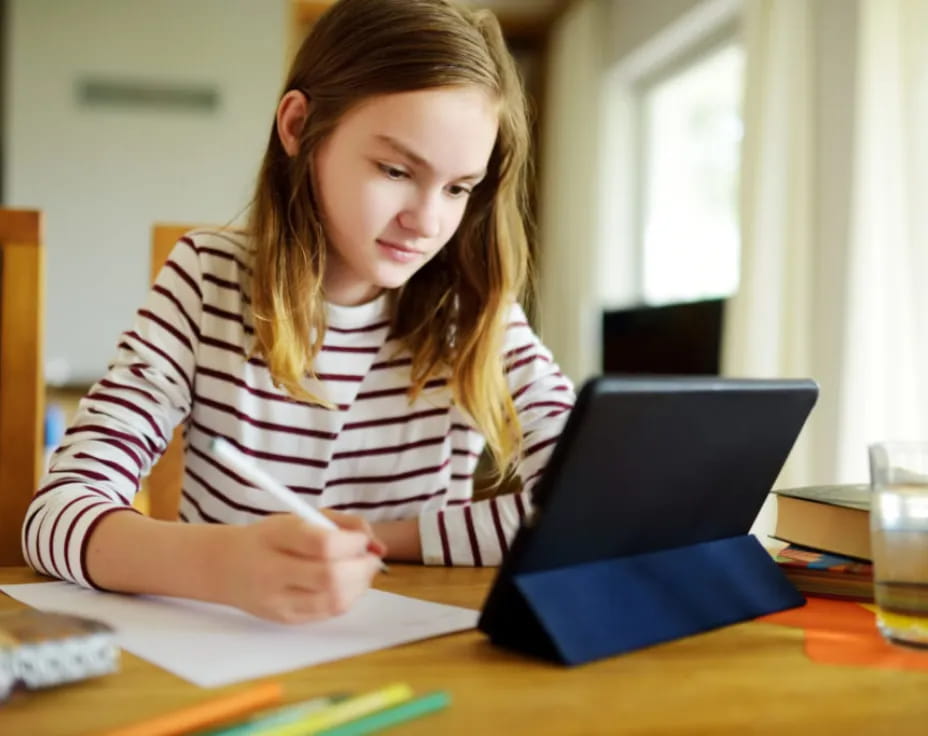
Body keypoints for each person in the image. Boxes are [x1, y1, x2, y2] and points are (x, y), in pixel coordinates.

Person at [22, 0, 574, 624]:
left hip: (413, 656)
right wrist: (219, 565)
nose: (427, 222)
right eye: (395, 170)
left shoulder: (476, 312)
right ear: (297, 126)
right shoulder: (208, 281)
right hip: (229, 652)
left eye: (458, 188)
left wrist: (375, 535)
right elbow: (56, 514)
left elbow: (586, 506)